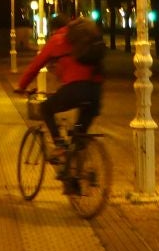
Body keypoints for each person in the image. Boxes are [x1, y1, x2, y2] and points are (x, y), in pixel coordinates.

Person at [15, 12, 104, 165]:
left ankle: (59, 145)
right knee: (79, 135)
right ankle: (78, 178)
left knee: (46, 108)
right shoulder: (86, 38)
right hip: (95, 90)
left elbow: (35, 66)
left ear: (54, 29)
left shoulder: (57, 40)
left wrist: (21, 86)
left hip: (74, 89)